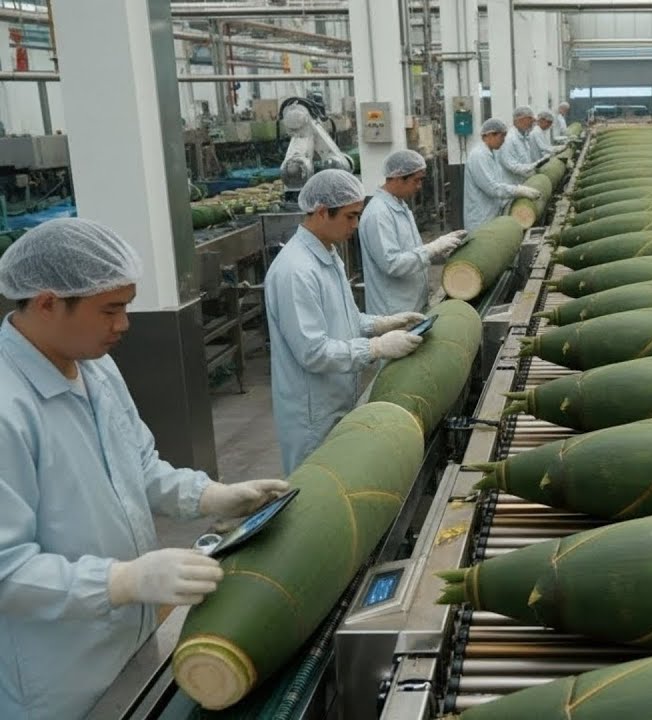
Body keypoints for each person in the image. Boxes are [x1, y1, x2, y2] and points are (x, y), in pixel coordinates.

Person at [0, 218, 289, 720]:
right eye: (110, 309)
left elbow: (138, 465)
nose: (124, 324)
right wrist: (122, 581)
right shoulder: (8, 409)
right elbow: (7, 571)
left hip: (129, 641)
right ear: (47, 303)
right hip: (57, 678)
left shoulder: (95, 366)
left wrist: (209, 496)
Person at [265, 169, 429, 474]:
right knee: (316, 488)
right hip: (313, 412)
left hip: (337, 395)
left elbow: (345, 318)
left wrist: (383, 323)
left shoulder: (328, 255)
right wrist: (375, 348)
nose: (356, 225)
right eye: (350, 216)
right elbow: (313, 352)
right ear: (322, 212)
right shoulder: (296, 271)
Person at [359, 149, 467, 316]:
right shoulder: (378, 214)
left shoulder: (400, 205)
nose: (419, 186)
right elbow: (392, 264)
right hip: (394, 311)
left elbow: (410, 250)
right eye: (416, 180)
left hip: (412, 302)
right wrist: (433, 248)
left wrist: (437, 252)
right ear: (397, 178)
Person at [464, 118, 543, 231]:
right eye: (502, 137)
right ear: (490, 135)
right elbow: (492, 188)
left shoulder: (493, 153)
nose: (503, 141)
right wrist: (517, 190)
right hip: (481, 217)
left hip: (492, 213)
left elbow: (499, 181)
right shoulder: (478, 156)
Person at [498, 105, 541, 182]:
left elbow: (525, 160)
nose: (532, 123)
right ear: (520, 120)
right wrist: (533, 168)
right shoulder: (508, 139)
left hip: (523, 181)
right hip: (512, 184)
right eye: (530, 119)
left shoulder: (523, 137)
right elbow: (512, 165)